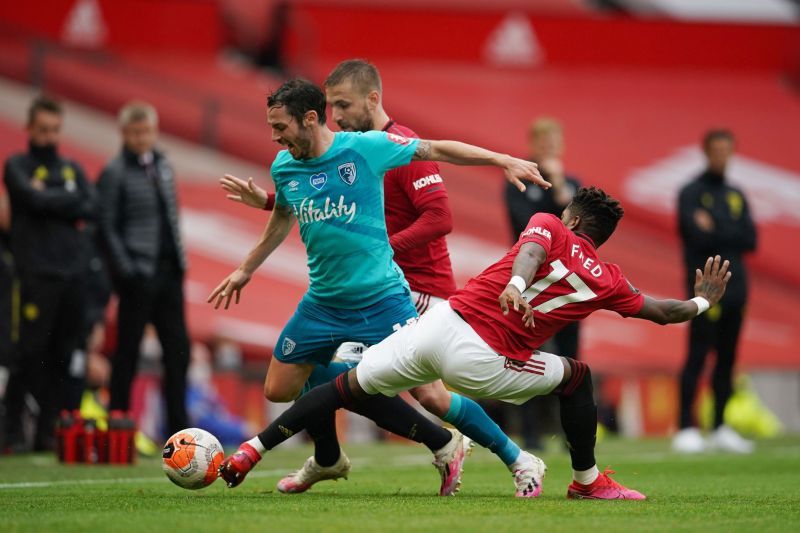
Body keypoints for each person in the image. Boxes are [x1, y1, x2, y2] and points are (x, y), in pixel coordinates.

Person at [220, 186, 733, 500]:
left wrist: (514, 283)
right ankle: (586, 481)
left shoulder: (549, 222)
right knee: (578, 377)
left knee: (344, 386)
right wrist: (704, 301)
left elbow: (530, 252)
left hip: (439, 325)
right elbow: (667, 313)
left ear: (573, 219)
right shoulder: (610, 279)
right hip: (482, 357)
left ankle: (250, 450)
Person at [209, 78, 550, 496]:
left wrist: (502, 159)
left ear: (309, 119)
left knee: (433, 397)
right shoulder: (285, 166)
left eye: (280, 127)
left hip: (383, 300)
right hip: (323, 303)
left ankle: (518, 458)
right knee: (280, 388)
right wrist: (246, 269)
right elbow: (283, 215)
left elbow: (438, 148)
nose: (275, 136)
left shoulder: (365, 148)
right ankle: (330, 457)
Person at [2, 95, 96, 451]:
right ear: (29, 128)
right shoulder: (17, 165)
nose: (49, 136)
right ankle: (11, 431)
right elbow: (31, 199)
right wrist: (65, 200)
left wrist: (50, 197)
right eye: (43, 129)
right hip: (34, 275)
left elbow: (91, 206)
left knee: (62, 355)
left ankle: (46, 433)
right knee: (27, 354)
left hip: (71, 276)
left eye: (55, 129)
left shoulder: (72, 167)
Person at [96, 101, 190, 437]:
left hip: (169, 273)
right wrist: (127, 271)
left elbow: (172, 218)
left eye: (147, 131)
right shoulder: (114, 172)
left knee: (179, 352)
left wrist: (180, 263)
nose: (141, 138)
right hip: (138, 276)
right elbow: (105, 226)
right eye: (135, 132)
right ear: (124, 134)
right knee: (128, 352)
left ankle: (179, 430)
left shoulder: (163, 166)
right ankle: (118, 425)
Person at [672, 129, 757, 454]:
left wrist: (717, 227)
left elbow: (751, 239)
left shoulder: (736, 193)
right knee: (698, 353)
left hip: (737, 288)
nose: (722, 156)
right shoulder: (691, 192)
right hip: (705, 289)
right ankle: (685, 427)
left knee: (728, 357)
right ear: (706, 152)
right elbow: (695, 237)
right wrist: (727, 230)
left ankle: (720, 425)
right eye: (716, 151)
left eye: (727, 151)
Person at [503, 117, 582, 449]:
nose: (549, 150)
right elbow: (527, 226)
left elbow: (577, 227)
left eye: (554, 144)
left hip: (567, 282)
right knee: (528, 356)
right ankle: (531, 435)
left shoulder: (574, 185)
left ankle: (570, 434)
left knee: (570, 358)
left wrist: (560, 184)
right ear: (533, 146)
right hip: (531, 282)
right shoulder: (519, 181)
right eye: (543, 144)